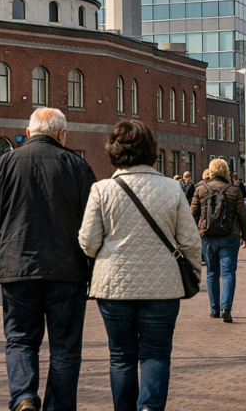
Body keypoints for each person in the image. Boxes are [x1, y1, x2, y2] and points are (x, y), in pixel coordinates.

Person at [0, 108, 96, 411]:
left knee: (20, 340)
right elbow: (95, 225)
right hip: (68, 271)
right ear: (62, 134)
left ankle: (24, 396)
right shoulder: (77, 167)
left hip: (16, 270)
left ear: (28, 133)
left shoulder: (3, 165)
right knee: (65, 348)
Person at [79, 121, 201, 411]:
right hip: (163, 285)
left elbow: (88, 242)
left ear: (114, 151)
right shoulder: (172, 188)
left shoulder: (102, 189)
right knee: (156, 353)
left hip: (114, 285)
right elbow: (190, 241)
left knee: (120, 355)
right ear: (152, 151)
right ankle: (149, 407)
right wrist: (193, 274)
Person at [190, 159, 246, 322]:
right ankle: (226, 307)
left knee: (211, 273)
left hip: (208, 237)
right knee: (228, 272)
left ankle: (214, 309)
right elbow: (242, 214)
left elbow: (192, 213)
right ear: (226, 171)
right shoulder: (234, 190)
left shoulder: (200, 189)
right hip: (230, 236)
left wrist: (193, 234)